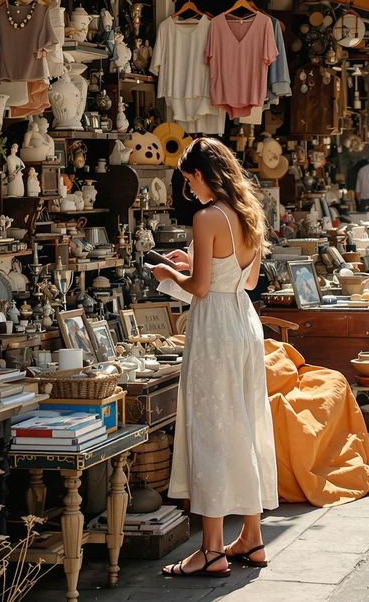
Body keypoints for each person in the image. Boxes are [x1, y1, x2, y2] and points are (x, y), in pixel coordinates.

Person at [153, 138, 277, 577]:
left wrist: (170, 272)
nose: (190, 190)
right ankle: (252, 537)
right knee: (245, 423)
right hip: (243, 323)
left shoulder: (206, 217)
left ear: (201, 174)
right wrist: (191, 261)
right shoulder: (248, 213)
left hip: (214, 331)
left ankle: (211, 549)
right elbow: (244, 280)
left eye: (189, 180)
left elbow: (201, 288)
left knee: (209, 428)